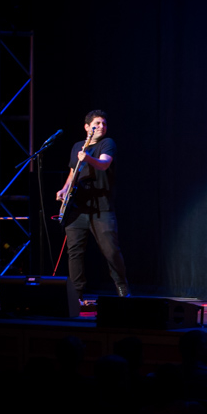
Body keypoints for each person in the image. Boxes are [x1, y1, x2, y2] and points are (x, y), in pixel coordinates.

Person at [56, 110, 129, 300]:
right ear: (87, 127)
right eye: (97, 123)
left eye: (104, 123)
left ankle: (122, 289)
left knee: (111, 251)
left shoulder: (107, 143)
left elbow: (103, 164)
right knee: (75, 252)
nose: (102, 126)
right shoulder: (77, 147)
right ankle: (76, 295)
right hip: (77, 208)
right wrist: (64, 190)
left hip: (101, 209)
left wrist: (87, 158)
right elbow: (73, 172)